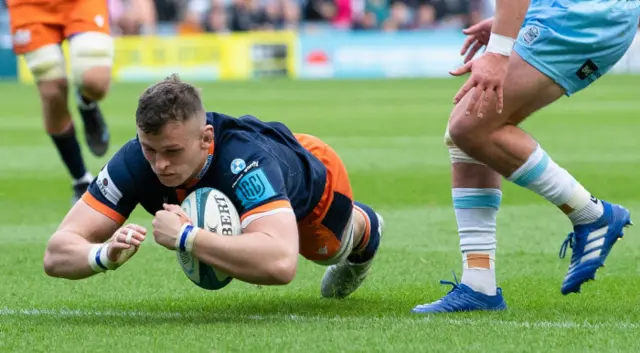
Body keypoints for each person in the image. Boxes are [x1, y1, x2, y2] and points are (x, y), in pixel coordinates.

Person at [42, 74, 383, 298]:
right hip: (263, 165)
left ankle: (366, 227)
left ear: (206, 139)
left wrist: (186, 237)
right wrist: (102, 255)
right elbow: (56, 253)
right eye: (150, 149)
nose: (159, 164)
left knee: (330, 251)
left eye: (173, 151)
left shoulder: (245, 162)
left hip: (308, 174)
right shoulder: (134, 160)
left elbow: (281, 264)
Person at [412, 0, 638, 314]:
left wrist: (499, 50)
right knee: (466, 133)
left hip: (583, 17)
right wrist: (515, 19)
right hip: (581, 13)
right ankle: (479, 284)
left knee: (469, 127)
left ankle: (591, 214)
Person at [7, 0, 113, 203]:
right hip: (29, 5)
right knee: (52, 91)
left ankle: (87, 101)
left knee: (95, 81)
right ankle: (80, 179)